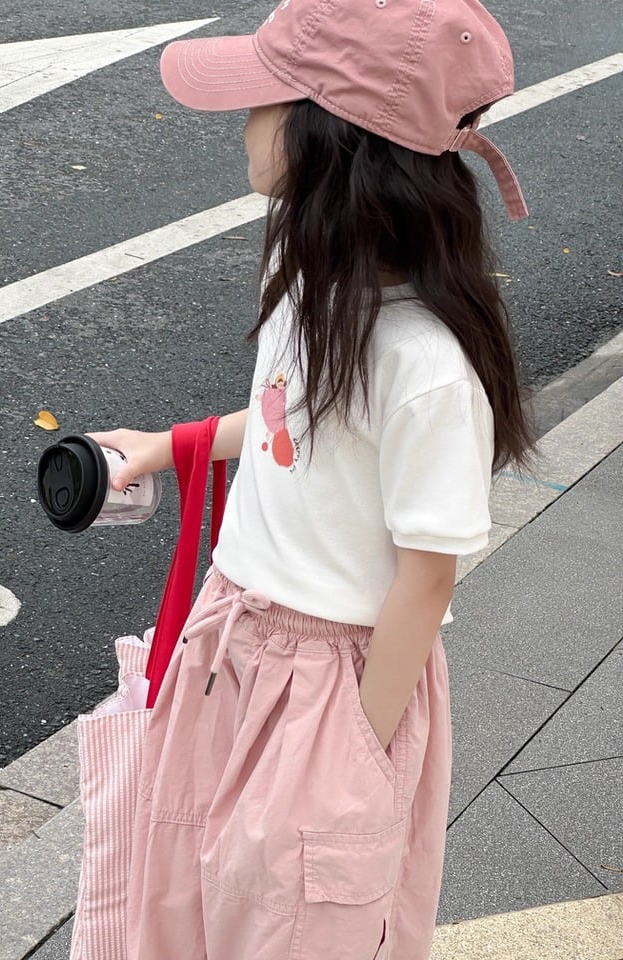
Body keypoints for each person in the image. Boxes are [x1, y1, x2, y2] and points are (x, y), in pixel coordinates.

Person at [89, 1, 535, 957]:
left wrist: (359, 754)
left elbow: (427, 577)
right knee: (194, 902)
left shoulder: (425, 367)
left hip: (336, 687)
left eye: (266, 98)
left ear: (331, 136)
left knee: (291, 924)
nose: (245, 122)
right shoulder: (309, 280)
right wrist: (170, 446)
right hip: (232, 641)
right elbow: (295, 421)